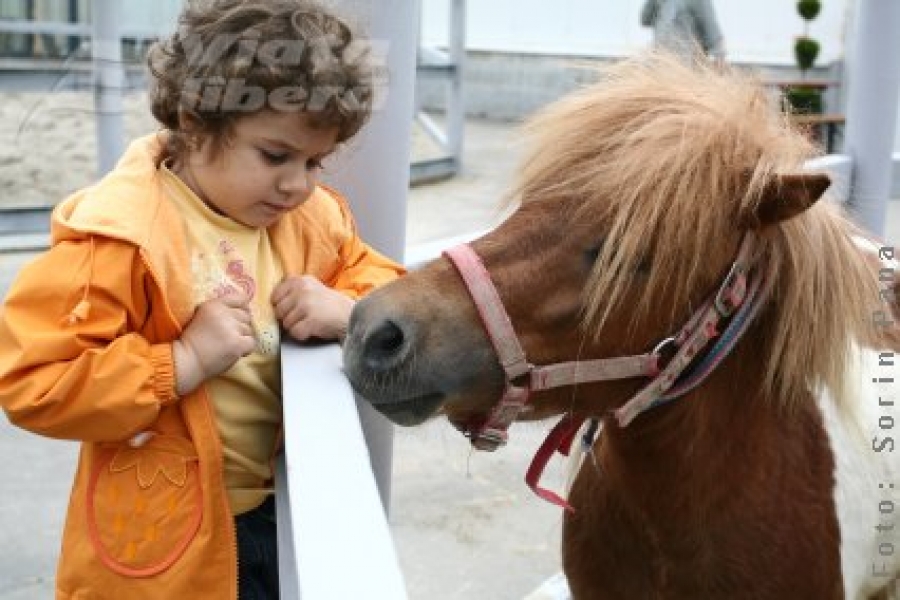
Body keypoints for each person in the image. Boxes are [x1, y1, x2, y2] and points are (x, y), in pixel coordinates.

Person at [0, 1, 405, 598]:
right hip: (165, 548)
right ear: (195, 122)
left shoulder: (310, 219)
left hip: (282, 513)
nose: (298, 183)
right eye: (275, 156)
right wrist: (180, 363)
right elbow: (34, 380)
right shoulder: (121, 236)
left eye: (314, 161)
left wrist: (347, 308)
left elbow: (385, 283)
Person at [640, 0, 725, 62]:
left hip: (687, 64)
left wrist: (719, 55)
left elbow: (712, 29)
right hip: (660, 60)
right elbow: (644, 20)